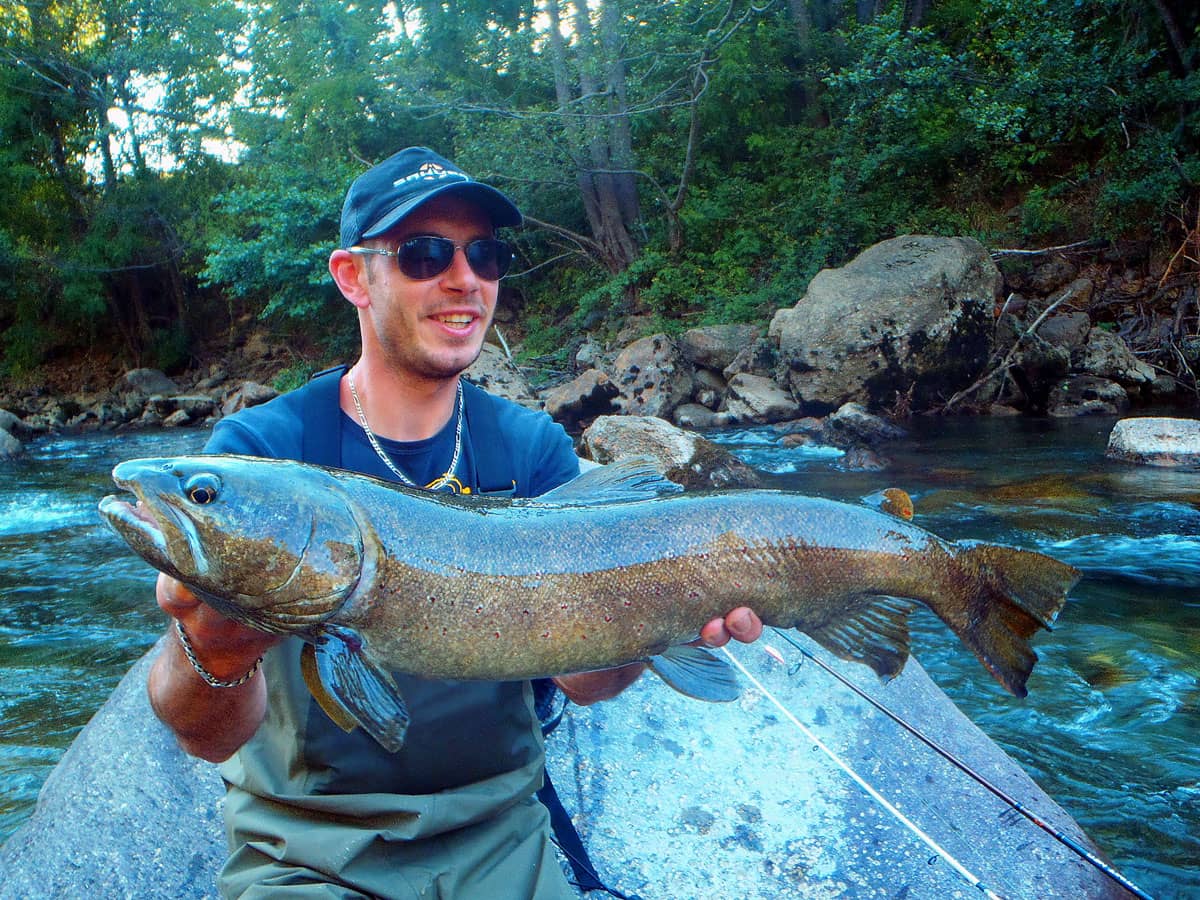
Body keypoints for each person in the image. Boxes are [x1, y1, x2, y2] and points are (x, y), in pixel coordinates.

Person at [146, 146, 763, 899]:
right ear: (353, 277)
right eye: (424, 253)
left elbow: (584, 681)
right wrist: (210, 640)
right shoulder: (261, 455)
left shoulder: (531, 448)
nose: (463, 277)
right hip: (310, 852)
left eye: (486, 254)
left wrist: (658, 618)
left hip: (503, 836)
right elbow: (203, 735)